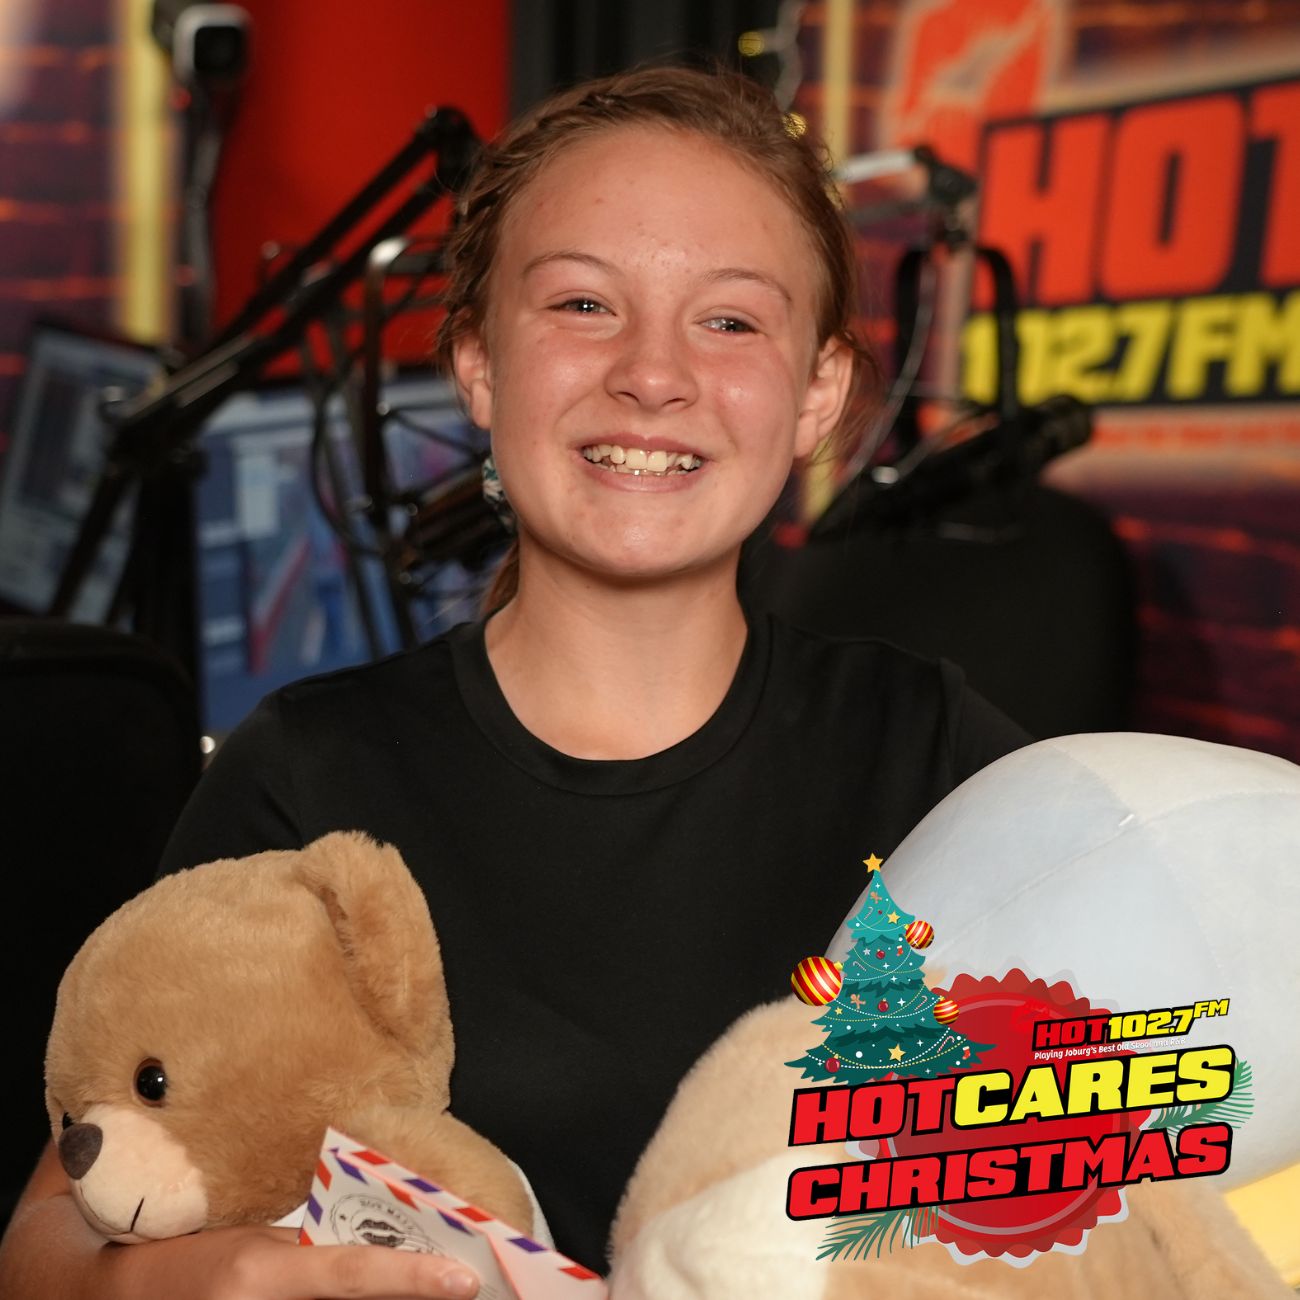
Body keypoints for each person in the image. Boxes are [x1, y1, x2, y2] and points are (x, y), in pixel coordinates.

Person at [0, 62, 1028, 1299]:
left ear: (818, 392)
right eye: (584, 304)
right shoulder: (310, 776)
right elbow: (50, 1236)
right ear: (480, 365)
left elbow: (1134, 1140)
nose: (652, 372)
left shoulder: (937, 756)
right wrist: (205, 1279)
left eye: (730, 320)